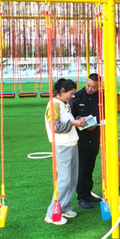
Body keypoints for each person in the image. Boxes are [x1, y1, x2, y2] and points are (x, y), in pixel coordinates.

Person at [44, 78, 85, 225]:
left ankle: (65, 207)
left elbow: (66, 121)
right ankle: (52, 214)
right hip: (62, 146)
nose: (72, 96)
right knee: (64, 180)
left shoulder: (64, 104)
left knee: (72, 179)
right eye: (71, 93)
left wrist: (78, 120)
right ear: (62, 91)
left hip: (72, 143)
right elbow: (55, 127)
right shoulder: (54, 104)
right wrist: (74, 123)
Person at [70, 73, 103, 209]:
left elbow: (105, 114)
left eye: (93, 87)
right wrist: (80, 121)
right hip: (81, 137)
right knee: (82, 167)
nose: (90, 89)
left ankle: (88, 192)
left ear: (99, 86)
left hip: (95, 136)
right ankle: (81, 196)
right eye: (88, 85)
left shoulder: (102, 97)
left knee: (90, 165)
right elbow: (70, 117)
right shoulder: (77, 97)